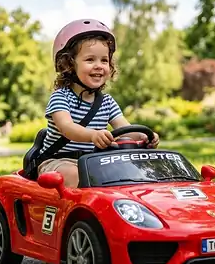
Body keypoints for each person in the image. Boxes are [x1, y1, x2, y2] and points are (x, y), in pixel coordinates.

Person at [37, 18, 159, 188]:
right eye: (90, 60)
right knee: (76, 175)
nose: (99, 66)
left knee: (130, 174)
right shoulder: (60, 97)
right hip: (59, 161)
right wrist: (93, 135)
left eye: (104, 60)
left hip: (95, 162)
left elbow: (125, 128)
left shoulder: (107, 102)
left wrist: (146, 136)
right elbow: (67, 128)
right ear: (68, 65)